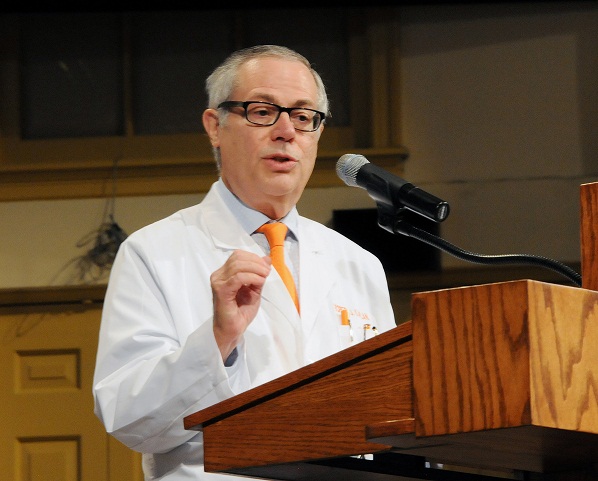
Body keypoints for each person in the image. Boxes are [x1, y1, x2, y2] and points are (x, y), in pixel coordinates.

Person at [92, 44, 397, 481]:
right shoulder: (155, 252)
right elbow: (128, 418)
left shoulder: (358, 263)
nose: (286, 131)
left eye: (304, 117)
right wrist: (217, 339)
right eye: (261, 111)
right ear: (215, 126)